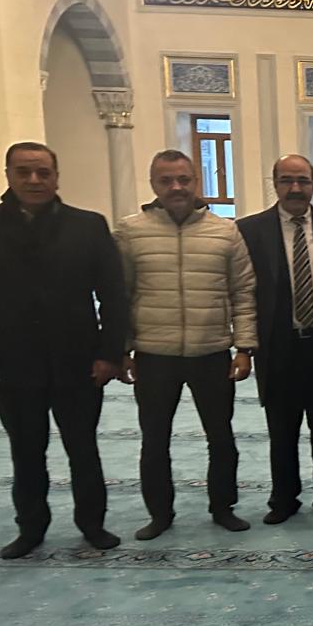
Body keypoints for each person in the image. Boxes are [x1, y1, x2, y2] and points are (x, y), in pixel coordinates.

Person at [0, 142, 128, 558]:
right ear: (8, 175)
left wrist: (109, 353)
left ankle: (92, 524)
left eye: (43, 172)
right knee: (26, 451)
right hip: (13, 364)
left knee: (83, 449)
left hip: (79, 362)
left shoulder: (88, 226)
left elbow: (113, 295)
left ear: (56, 176)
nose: (34, 180)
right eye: (24, 172)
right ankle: (31, 528)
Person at [116, 149, 258, 540]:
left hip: (211, 351)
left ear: (196, 181)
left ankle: (222, 507)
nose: (176, 187)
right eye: (166, 180)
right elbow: (119, 295)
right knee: (154, 440)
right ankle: (159, 514)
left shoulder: (225, 231)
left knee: (221, 437)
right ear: (153, 184)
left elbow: (243, 292)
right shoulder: (130, 232)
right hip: (153, 354)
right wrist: (122, 350)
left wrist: (244, 347)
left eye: (184, 179)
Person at [237, 155, 313, 525]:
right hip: (279, 345)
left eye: (303, 180)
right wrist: (245, 344)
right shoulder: (249, 231)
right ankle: (284, 499)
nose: (295, 188)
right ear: (274, 184)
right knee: (282, 429)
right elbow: (242, 291)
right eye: (287, 180)